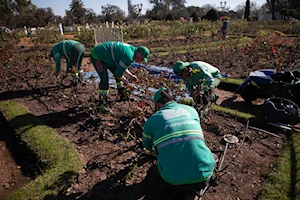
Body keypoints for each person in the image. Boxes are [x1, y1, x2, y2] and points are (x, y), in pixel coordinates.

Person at [142, 88, 216, 200]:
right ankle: (193, 190)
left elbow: (147, 146)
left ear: (157, 104)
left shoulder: (152, 120)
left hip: (173, 182)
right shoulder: (191, 110)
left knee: (155, 169)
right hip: (204, 176)